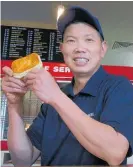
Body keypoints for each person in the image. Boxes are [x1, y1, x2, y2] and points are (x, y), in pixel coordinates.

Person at [2, 6, 133, 166]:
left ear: (102, 49)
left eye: (89, 40)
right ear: (62, 49)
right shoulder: (51, 103)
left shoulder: (118, 88)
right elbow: (22, 160)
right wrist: (14, 105)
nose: (80, 48)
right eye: (71, 40)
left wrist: (56, 97)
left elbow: (115, 153)